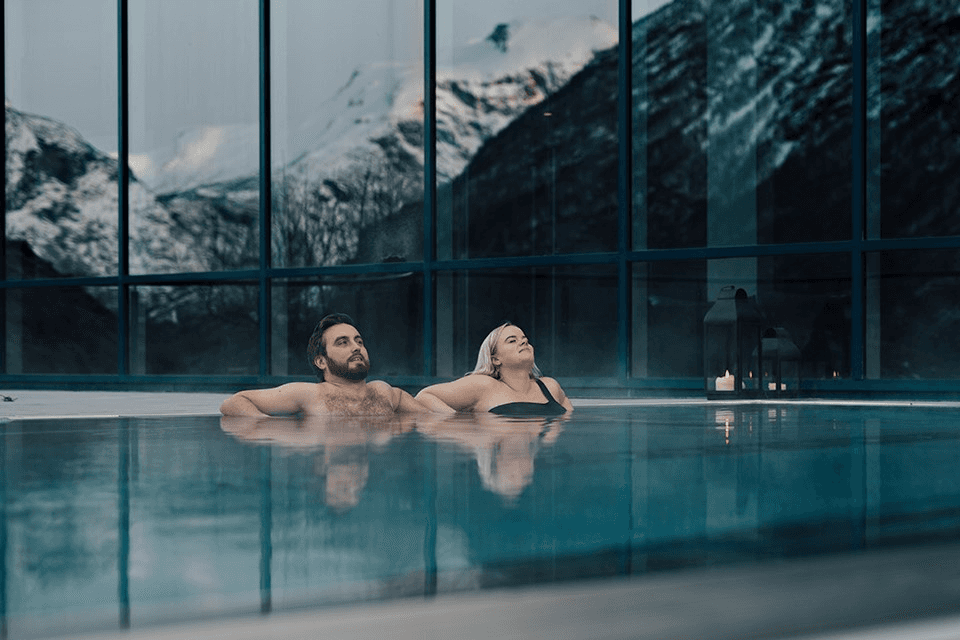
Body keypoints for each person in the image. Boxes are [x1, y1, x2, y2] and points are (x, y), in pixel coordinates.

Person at [220, 313, 452, 416]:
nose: (356, 347)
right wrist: (269, 428)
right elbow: (234, 403)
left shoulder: (385, 392)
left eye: (359, 341)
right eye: (343, 342)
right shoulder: (307, 394)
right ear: (321, 361)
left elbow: (433, 419)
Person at [415, 322, 573, 415]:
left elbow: (568, 423)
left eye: (525, 339)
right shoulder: (484, 386)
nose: (524, 342)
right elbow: (425, 396)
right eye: (512, 340)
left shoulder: (550, 386)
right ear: (495, 359)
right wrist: (458, 423)